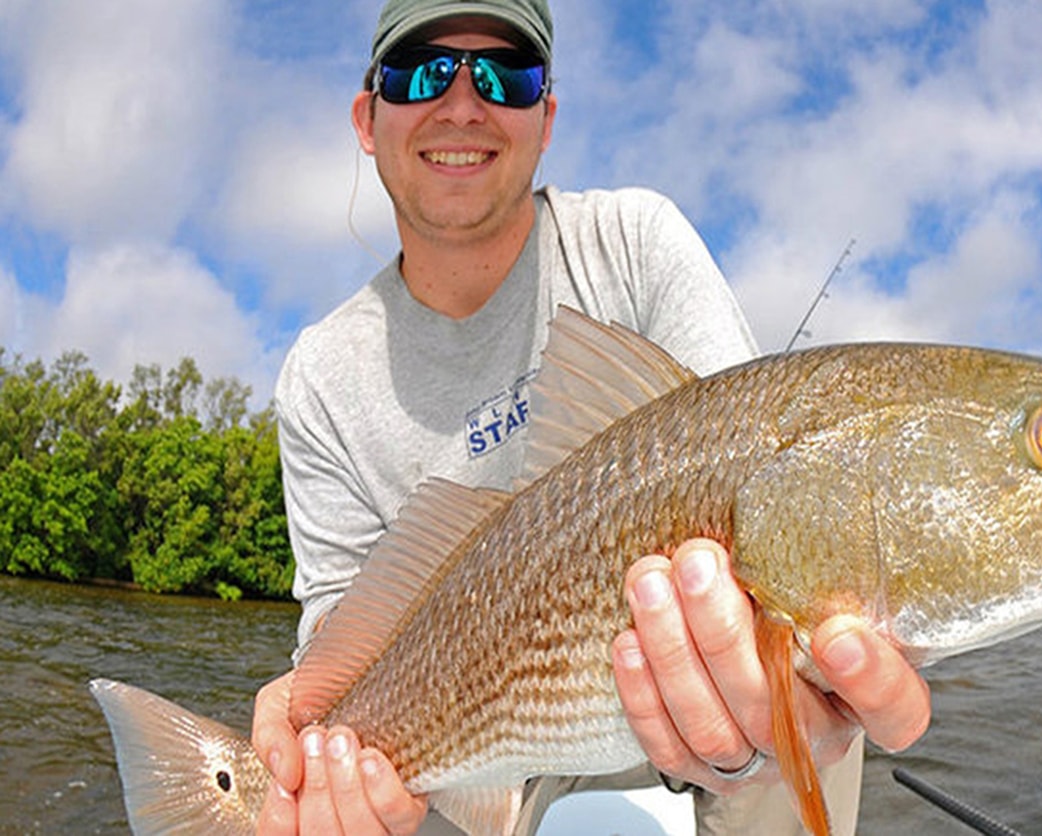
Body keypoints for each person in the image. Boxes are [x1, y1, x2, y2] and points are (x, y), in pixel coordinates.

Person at [251, 1, 932, 834]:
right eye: (421, 71)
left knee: (799, 670)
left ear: (546, 120)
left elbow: (755, 468)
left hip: (711, 690)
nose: (463, 103)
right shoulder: (321, 374)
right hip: (482, 746)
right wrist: (309, 738)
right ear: (368, 116)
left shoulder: (634, 240)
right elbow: (334, 627)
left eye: (508, 75)